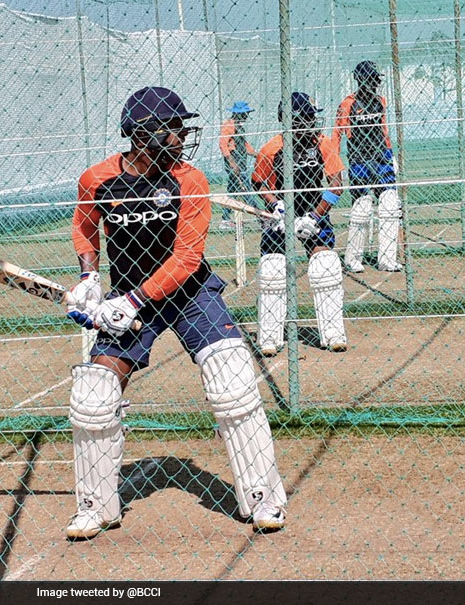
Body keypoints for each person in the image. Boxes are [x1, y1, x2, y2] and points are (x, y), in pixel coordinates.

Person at [63, 86, 287, 540]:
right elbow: (85, 229)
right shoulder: (97, 180)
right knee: (94, 394)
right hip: (127, 295)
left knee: (232, 379)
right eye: (173, 130)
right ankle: (95, 507)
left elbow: (186, 259)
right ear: (142, 133)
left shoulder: (191, 180)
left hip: (190, 294)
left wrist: (130, 302)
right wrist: (89, 278)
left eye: (183, 130)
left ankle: (264, 498)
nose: (182, 138)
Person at [251, 92, 348, 356]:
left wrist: (315, 217)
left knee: (325, 264)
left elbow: (336, 184)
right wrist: (275, 205)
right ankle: (269, 338)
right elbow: (258, 182)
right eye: (306, 117)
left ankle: (333, 334)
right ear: (291, 120)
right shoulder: (271, 149)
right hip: (280, 214)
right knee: (272, 268)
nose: (312, 122)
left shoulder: (323, 143)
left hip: (313, 209)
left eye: (312, 117)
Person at [332, 60, 403, 273]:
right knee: (362, 207)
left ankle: (387, 259)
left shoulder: (380, 101)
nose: (375, 83)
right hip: (359, 161)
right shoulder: (348, 104)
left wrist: (391, 155)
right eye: (371, 79)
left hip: (382, 159)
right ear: (361, 80)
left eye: (376, 79)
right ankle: (353, 258)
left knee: (390, 205)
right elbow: (337, 135)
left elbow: (384, 130)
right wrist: (335, 165)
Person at [218, 101, 258, 230]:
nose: (246, 115)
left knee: (233, 191)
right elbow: (223, 144)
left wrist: (256, 154)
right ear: (238, 113)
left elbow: (244, 145)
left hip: (241, 161)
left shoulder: (239, 126)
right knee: (246, 189)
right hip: (235, 161)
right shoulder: (229, 125)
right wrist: (231, 162)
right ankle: (259, 216)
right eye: (244, 113)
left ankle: (225, 219)